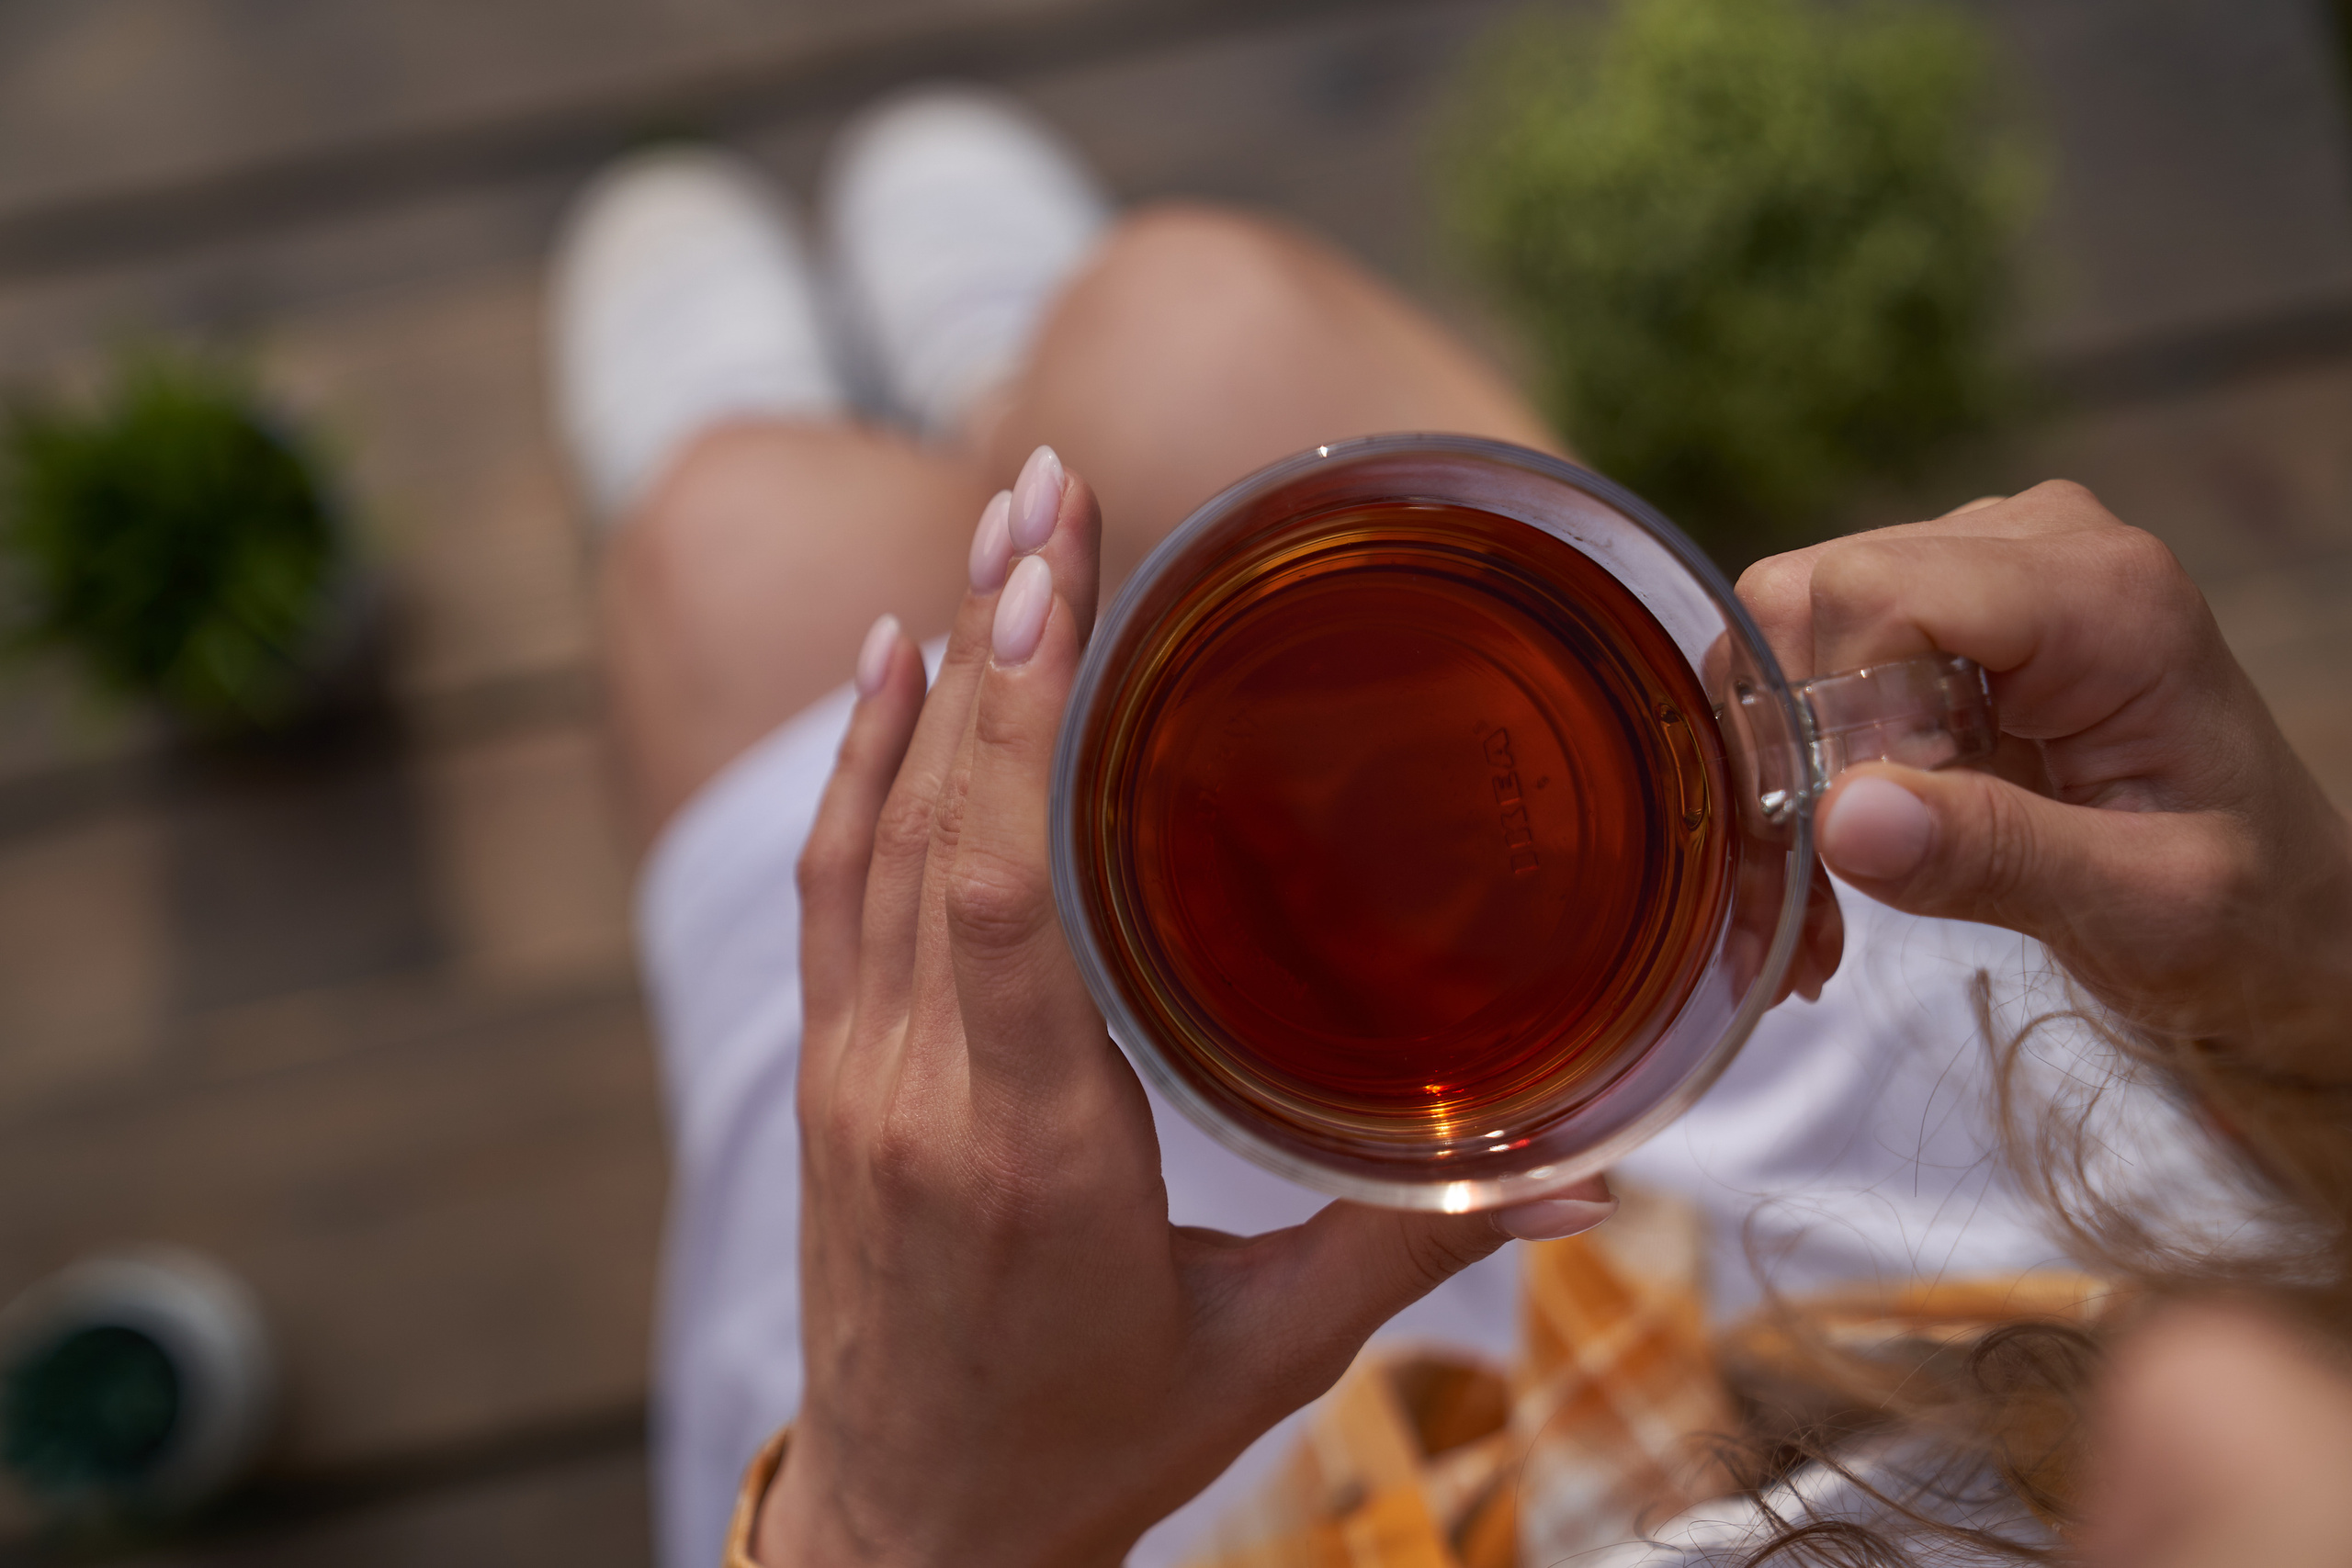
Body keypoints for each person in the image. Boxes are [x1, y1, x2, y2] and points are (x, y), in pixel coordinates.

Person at [546, 89, 2352, 1566]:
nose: (2205, 1389)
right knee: (1189, 332)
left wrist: (900, 1518)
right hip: (1952, 1186)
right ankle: (984, 394)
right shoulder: (2224, 1337)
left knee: (738, 545)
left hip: (1273, 1499)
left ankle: (847, 426)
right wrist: (2305, 996)